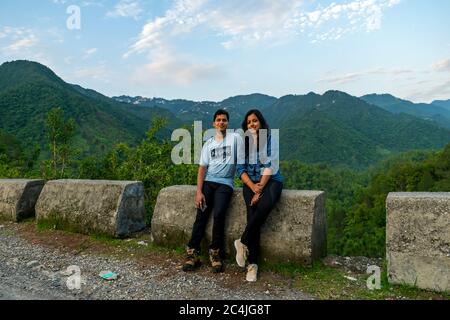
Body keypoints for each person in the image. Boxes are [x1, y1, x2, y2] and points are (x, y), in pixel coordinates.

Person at [183, 109, 243, 273]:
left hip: (225, 184)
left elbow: (247, 152)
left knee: (219, 215)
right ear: (214, 123)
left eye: (224, 120)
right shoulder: (208, 143)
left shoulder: (235, 138)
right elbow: (202, 168)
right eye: (218, 120)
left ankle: (215, 253)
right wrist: (198, 192)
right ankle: (192, 253)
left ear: (228, 123)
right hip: (209, 182)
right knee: (201, 215)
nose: (221, 122)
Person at [234, 109, 283, 282]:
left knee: (264, 206)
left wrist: (260, 189)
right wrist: (253, 187)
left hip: (271, 181)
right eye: (249, 122)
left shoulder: (270, 140)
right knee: (252, 214)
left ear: (261, 122)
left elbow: (270, 165)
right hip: (250, 182)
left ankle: (242, 241)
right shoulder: (243, 144)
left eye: (255, 121)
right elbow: (240, 169)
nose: (252, 124)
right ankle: (252, 265)